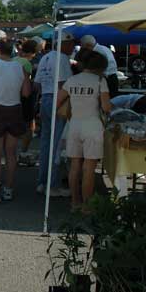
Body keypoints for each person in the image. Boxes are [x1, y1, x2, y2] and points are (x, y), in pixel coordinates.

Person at [56, 51, 112, 208]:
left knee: (74, 166)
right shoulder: (100, 81)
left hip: (74, 125)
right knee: (89, 168)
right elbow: (106, 107)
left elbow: (58, 102)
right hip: (93, 126)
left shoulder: (72, 80)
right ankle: (87, 205)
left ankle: (75, 202)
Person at [0, 40, 32, 203]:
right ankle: (8, 189)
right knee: (11, 154)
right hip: (14, 108)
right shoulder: (21, 67)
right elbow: (26, 92)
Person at [34, 31, 75, 197]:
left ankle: (42, 182)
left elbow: (36, 83)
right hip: (58, 101)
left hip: (45, 98)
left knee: (45, 143)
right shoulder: (62, 58)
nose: (72, 46)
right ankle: (53, 185)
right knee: (57, 144)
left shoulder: (45, 57)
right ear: (63, 43)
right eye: (71, 43)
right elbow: (63, 84)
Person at [14, 39, 39, 159]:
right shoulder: (27, 63)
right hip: (25, 96)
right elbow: (27, 82)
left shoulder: (14, 59)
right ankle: (23, 151)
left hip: (13, 95)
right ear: (33, 52)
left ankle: (13, 150)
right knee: (29, 125)